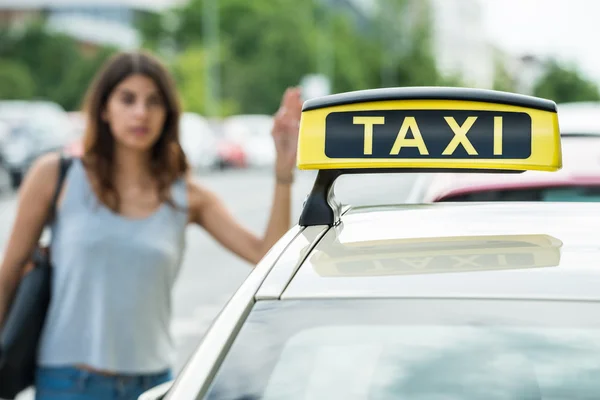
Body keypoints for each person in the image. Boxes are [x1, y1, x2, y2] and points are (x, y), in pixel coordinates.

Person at [0, 50, 302, 399]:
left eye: (153, 101)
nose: (140, 112)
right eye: (127, 99)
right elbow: (9, 274)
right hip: (67, 384)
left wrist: (283, 174)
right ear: (104, 108)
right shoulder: (56, 176)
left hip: (152, 386)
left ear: (167, 114)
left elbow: (267, 256)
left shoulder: (187, 196)